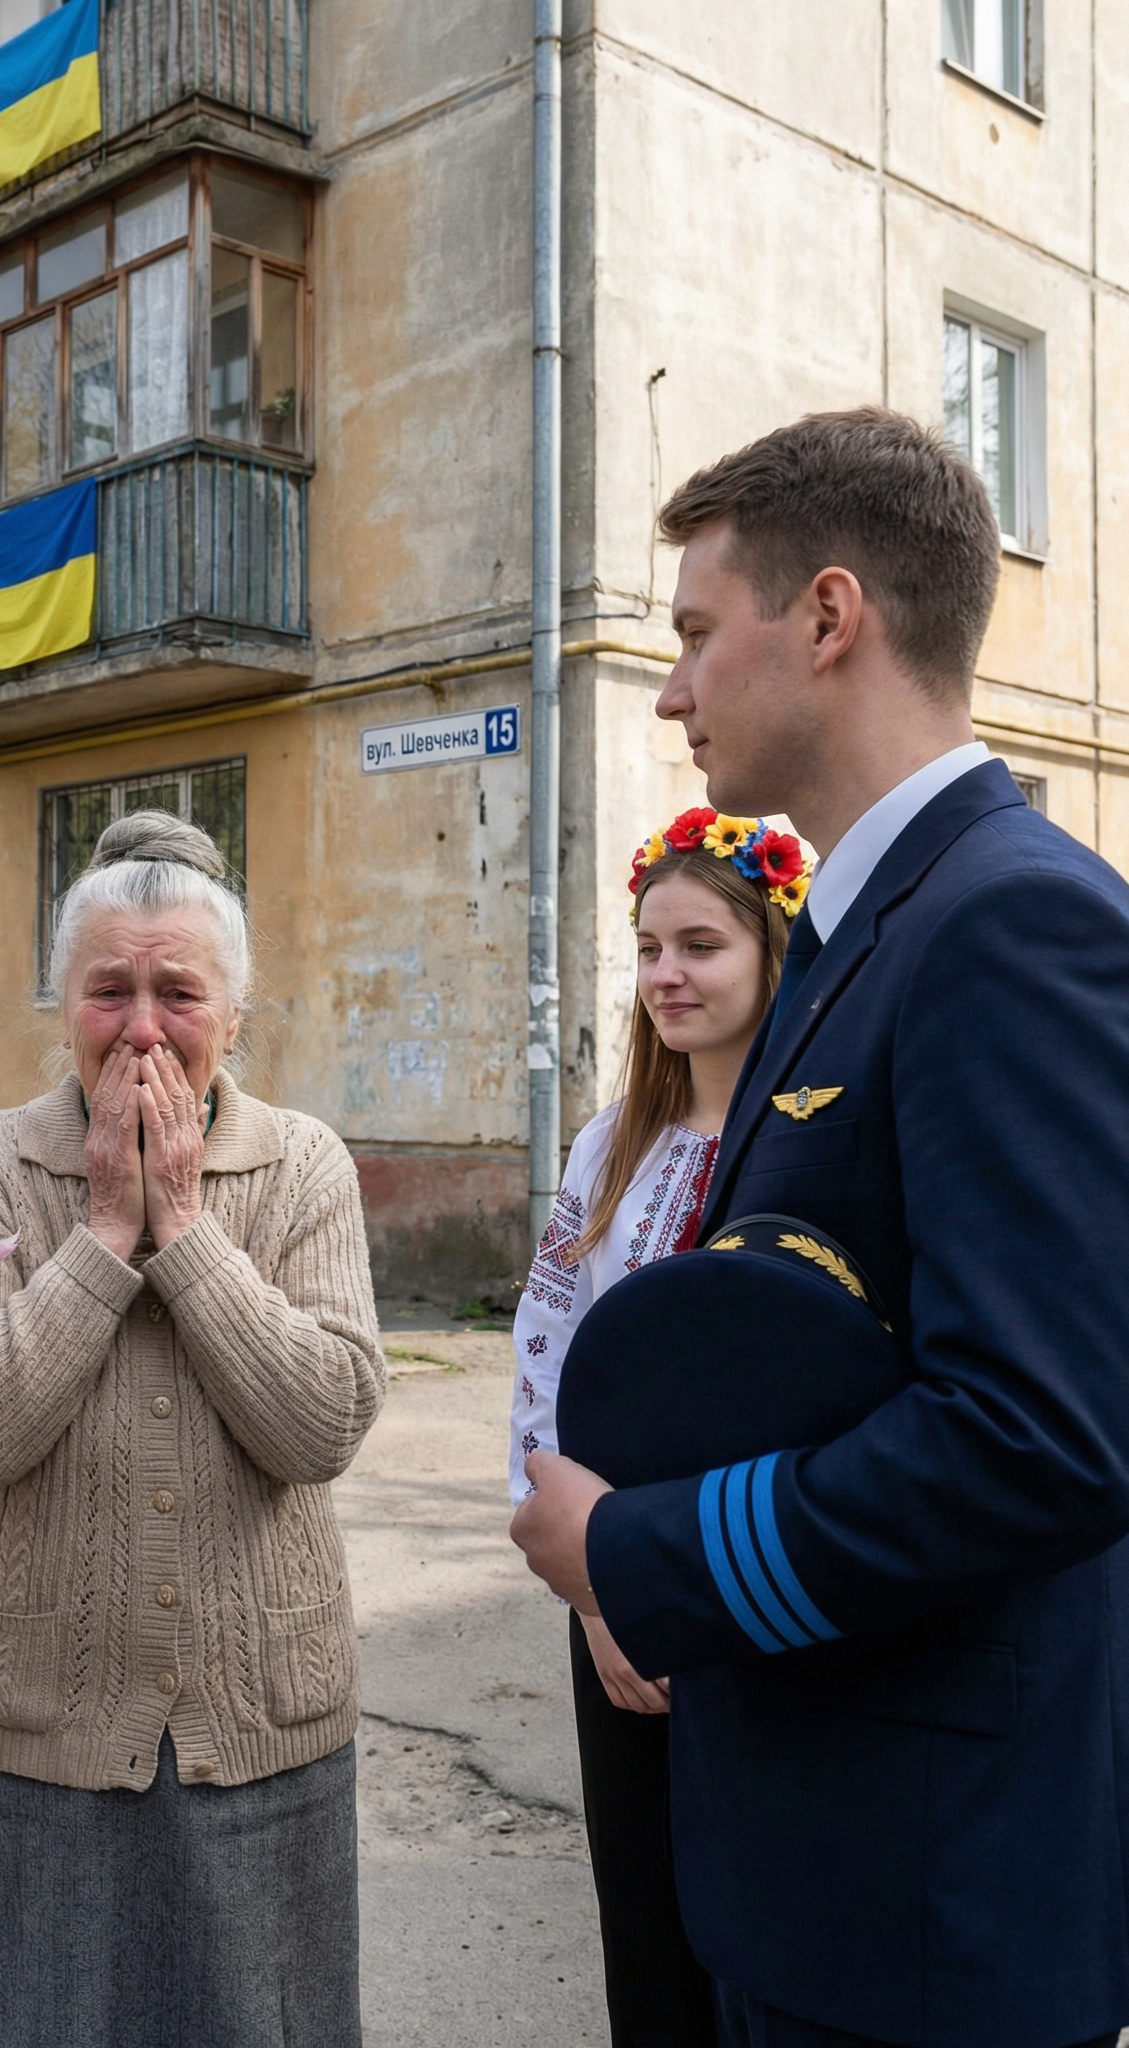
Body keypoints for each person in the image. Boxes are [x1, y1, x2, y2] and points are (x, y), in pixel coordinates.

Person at [511, 408, 1129, 2048]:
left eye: (697, 634)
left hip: (926, 1910)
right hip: (825, 1871)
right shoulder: (869, 928)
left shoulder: (1010, 922)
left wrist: (636, 1556)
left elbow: (1038, 1434)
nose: (666, 688)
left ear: (830, 618)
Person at [0, 811, 386, 2048]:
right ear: (59, 1001)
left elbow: (323, 1421)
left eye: (178, 991)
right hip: (28, 1735)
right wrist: (107, 1235)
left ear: (236, 1011)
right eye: (106, 988)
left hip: (258, 1730)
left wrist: (186, 1228)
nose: (139, 1025)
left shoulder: (306, 1165)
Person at [512, 806, 807, 2047]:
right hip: (614, 1603)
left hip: (763, 1593)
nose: (666, 975)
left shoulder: (810, 1141)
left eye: (701, 944)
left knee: (775, 1931)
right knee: (644, 1923)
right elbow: (543, 1360)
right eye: (646, 948)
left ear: (770, 956)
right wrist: (595, 1594)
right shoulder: (607, 1143)